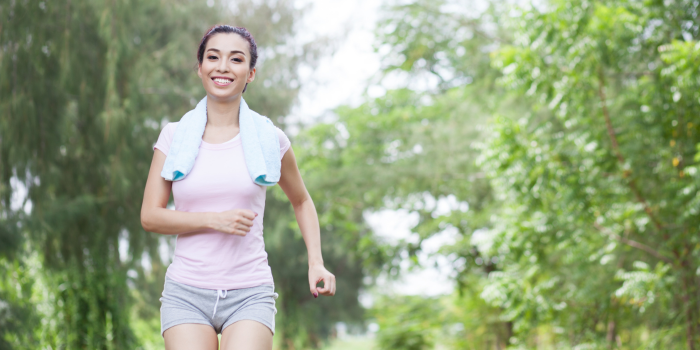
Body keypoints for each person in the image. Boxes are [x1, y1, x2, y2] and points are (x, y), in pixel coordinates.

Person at [140, 25, 336, 350]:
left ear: (251, 73)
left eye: (236, 59)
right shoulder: (174, 137)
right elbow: (150, 216)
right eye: (213, 57)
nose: (223, 67)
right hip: (187, 291)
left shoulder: (270, 139)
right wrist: (213, 219)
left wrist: (315, 261)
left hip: (250, 289)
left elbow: (301, 201)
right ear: (200, 67)